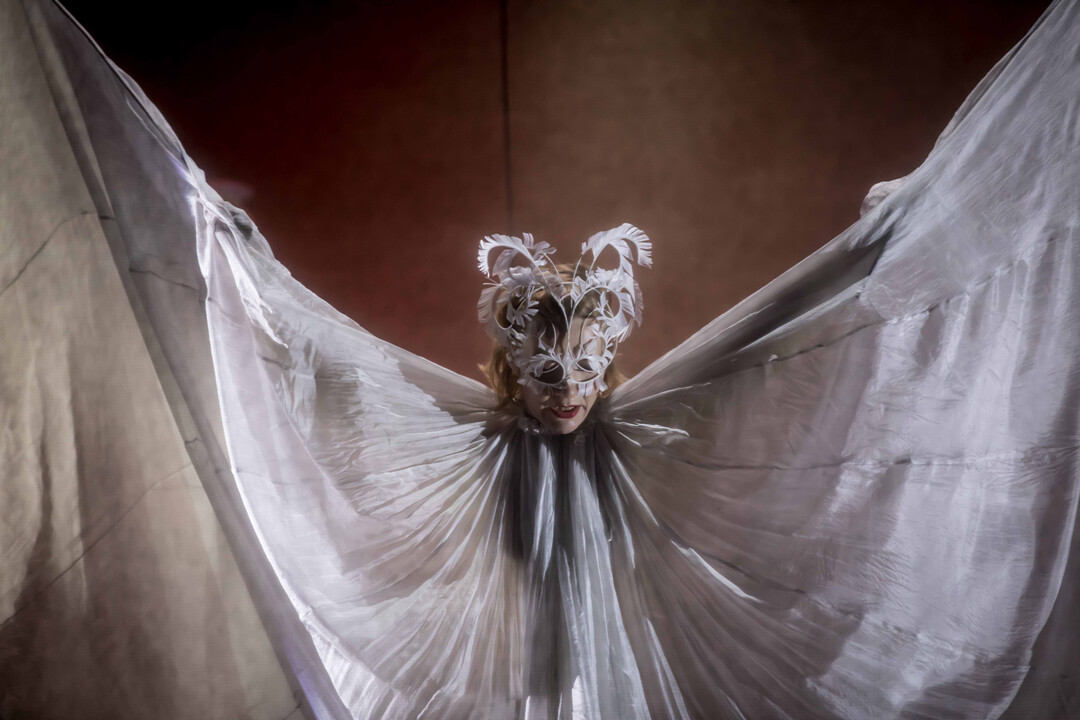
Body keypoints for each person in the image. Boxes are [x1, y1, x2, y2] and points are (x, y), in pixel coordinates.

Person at [5, 0, 1079, 717]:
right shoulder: (462, 436)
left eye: (579, 373)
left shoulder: (658, 428)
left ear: (607, 371)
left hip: (626, 643)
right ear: (510, 374)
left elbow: (776, 340)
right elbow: (337, 372)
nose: (564, 393)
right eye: (544, 375)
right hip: (507, 662)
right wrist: (236, 267)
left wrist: (880, 250)